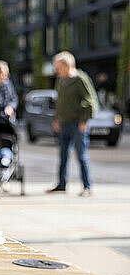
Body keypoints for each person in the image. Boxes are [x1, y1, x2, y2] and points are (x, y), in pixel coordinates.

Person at [47, 51, 98, 197]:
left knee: (81, 156)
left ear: (67, 65)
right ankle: (61, 185)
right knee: (63, 156)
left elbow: (90, 101)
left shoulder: (81, 79)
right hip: (64, 123)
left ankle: (87, 186)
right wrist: (57, 118)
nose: (56, 70)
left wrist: (84, 120)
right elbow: (60, 102)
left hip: (77, 124)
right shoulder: (60, 80)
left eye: (58, 67)